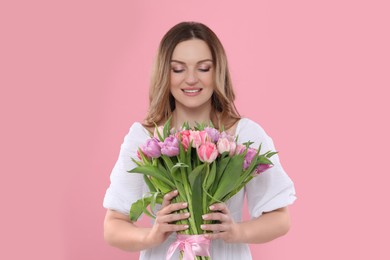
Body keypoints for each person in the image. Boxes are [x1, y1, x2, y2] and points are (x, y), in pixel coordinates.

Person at [103, 21, 296, 259]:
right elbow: (113, 226)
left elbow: (280, 219)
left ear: (218, 71)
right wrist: (152, 236)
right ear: (165, 72)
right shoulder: (145, 139)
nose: (191, 79)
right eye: (178, 69)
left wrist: (236, 231)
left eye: (203, 68)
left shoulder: (245, 135)